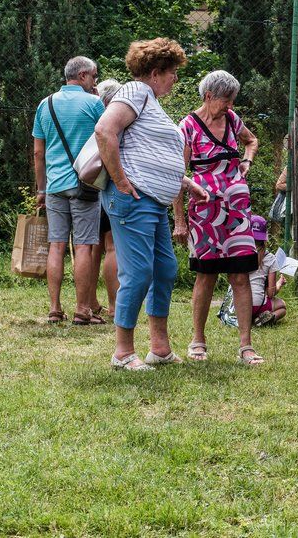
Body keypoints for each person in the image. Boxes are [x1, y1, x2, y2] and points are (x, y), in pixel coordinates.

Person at [95, 38, 206, 371]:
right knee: (140, 272)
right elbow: (104, 131)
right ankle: (123, 353)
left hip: (153, 202)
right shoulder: (133, 92)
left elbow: (148, 153)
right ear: (156, 72)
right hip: (133, 200)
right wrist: (120, 181)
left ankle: (159, 347)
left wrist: (183, 181)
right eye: (172, 72)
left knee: (164, 269)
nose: (175, 79)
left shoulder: (150, 101)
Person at [172, 70, 264, 366]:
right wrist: (179, 221)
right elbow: (178, 175)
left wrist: (247, 160)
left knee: (240, 273)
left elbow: (252, 141)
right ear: (209, 96)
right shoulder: (187, 126)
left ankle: (246, 346)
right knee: (206, 274)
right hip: (204, 213)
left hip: (237, 210)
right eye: (226, 100)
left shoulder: (233, 120)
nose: (230, 106)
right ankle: (198, 340)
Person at [32, 56, 105, 324]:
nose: (95, 81)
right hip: (85, 185)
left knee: (56, 246)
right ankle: (83, 310)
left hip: (54, 186)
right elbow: (107, 138)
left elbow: (38, 152)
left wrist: (42, 188)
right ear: (83, 75)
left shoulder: (45, 104)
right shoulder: (94, 103)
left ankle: (54, 308)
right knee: (84, 246)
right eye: (94, 76)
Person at [90, 79, 122, 319]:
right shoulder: (114, 121)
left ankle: (90, 301)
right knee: (111, 246)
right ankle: (114, 306)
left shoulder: (89, 115)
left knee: (92, 247)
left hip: (87, 184)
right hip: (108, 185)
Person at [247, 215, 287, 327]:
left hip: (238, 304)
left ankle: (249, 318)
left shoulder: (240, 254)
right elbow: (271, 294)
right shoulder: (270, 258)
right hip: (257, 305)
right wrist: (279, 283)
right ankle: (270, 317)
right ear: (265, 236)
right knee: (282, 306)